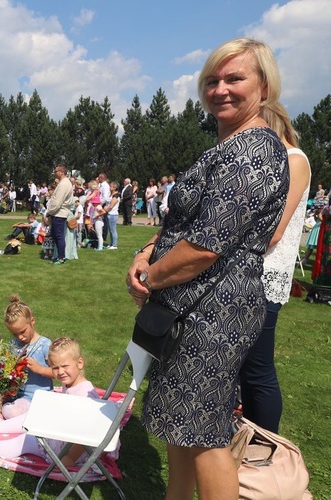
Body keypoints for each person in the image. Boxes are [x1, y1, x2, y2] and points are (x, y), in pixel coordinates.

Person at [126, 38, 289, 499]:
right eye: (212, 80)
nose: (221, 89)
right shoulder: (225, 146)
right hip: (190, 305)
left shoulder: (254, 151)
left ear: (263, 86)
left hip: (214, 310)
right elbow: (181, 225)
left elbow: (203, 246)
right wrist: (145, 256)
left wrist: (150, 279)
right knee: (182, 426)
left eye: (234, 78)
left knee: (205, 434)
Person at [238, 100, 312, 434]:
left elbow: (275, 231)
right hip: (243, 273)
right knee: (243, 368)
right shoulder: (267, 163)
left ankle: (265, 447)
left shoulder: (295, 161)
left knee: (258, 369)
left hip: (265, 276)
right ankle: (246, 438)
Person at [0, 337, 96, 469]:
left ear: (80, 363)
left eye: (64, 366)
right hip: (62, 433)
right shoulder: (71, 382)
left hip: (70, 451)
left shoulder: (84, 395)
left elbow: (87, 434)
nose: (60, 372)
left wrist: (70, 459)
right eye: (55, 367)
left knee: (25, 441)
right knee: (34, 415)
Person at [0, 295, 53, 419]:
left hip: (38, 397)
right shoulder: (14, 344)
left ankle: (2, 418)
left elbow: (58, 372)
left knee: (10, 412)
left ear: (32, 321)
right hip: (17, 394)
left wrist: (40, 369)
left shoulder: (45, 345)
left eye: (22, 331)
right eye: (15, 334)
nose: (20, 337)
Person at [44, 164, 74, 264]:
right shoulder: (63, 183)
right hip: (57, 212)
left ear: (62, 172)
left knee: (59, 236)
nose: (55, 173)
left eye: (56, 171)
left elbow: (57, 202)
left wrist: (49, 212)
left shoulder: (64, 184)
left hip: (59, 213)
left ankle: (61, 257)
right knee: (54, 234)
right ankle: (59, 255)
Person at [99, 181, 120, 250]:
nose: (110, 187)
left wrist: (104, 211)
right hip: (109, 214)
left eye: (111, 186)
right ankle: (111, 243)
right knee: (110, 230)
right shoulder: (111, 195)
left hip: (112, 214)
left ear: (114, 187)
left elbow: (111, 206)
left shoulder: (116, 196)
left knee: (113, 230)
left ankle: (114, 244)